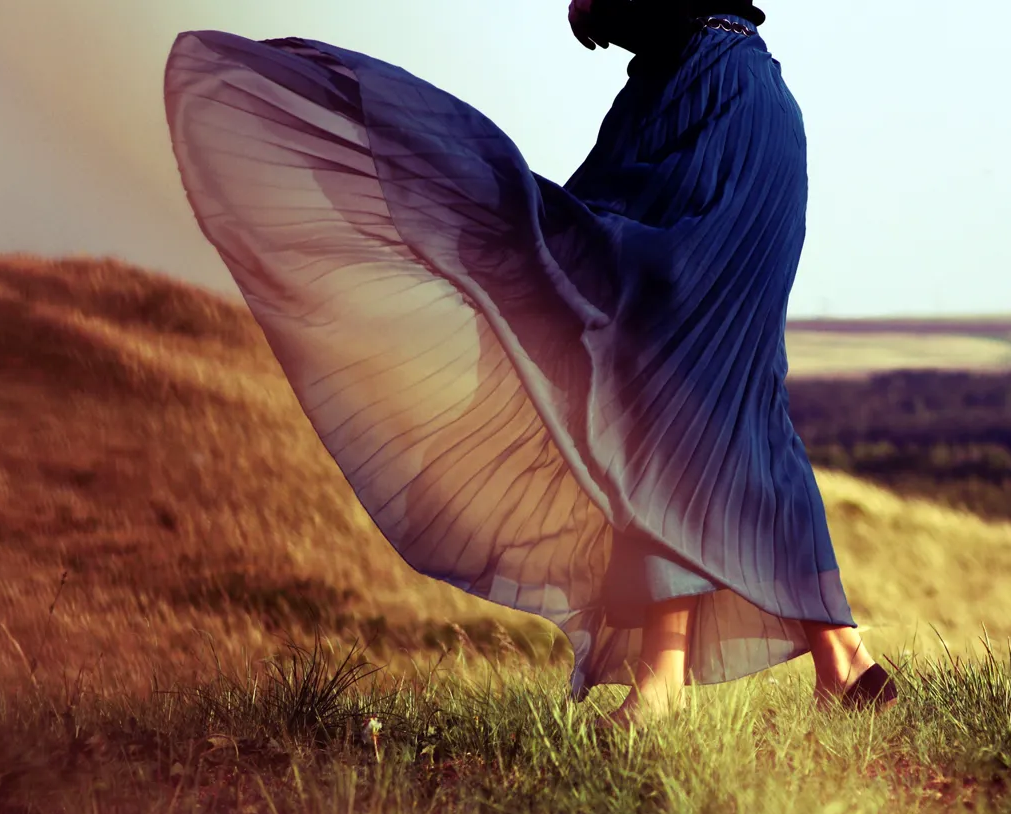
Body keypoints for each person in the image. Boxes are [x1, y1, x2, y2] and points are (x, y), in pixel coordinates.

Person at [163, 0, 897, 727]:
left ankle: (670, 682)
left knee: (659, 376)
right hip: (726, 110)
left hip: (709, 113)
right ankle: (841, 660)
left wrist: (597, 9)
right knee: (728, 394)